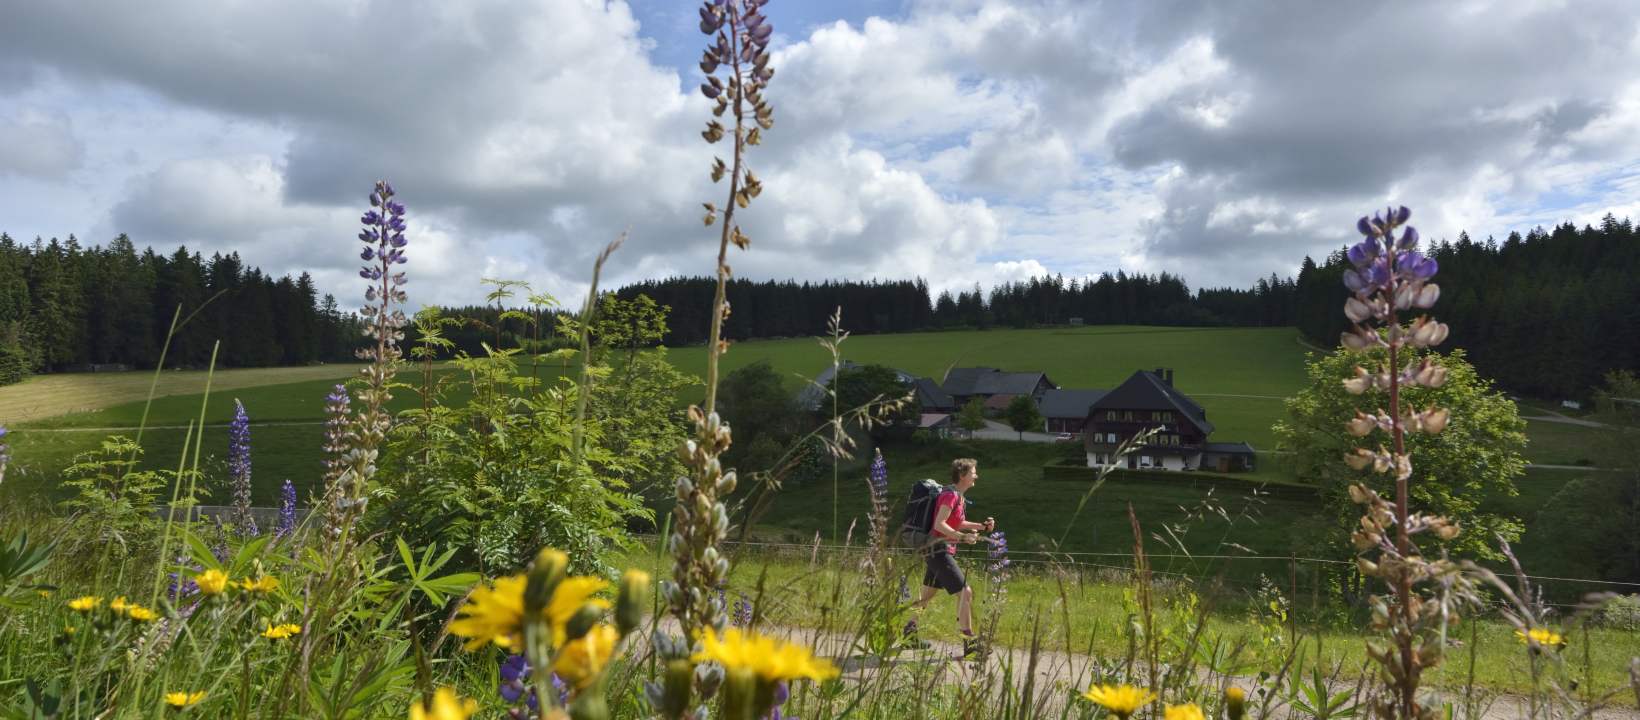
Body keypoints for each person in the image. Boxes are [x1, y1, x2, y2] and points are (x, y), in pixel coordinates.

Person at [903, 457, 994, 656]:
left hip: (939, 549)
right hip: (939, 551)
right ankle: (969, 643)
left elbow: (955, 522)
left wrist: (980, 527)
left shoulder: (957, 496)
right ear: (962, 476)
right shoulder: (950, 496)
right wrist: (963, 538)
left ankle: (909, 635)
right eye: (972, 473)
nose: (976, 476)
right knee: (966, 593)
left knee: (927, 595)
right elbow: (939, 524)